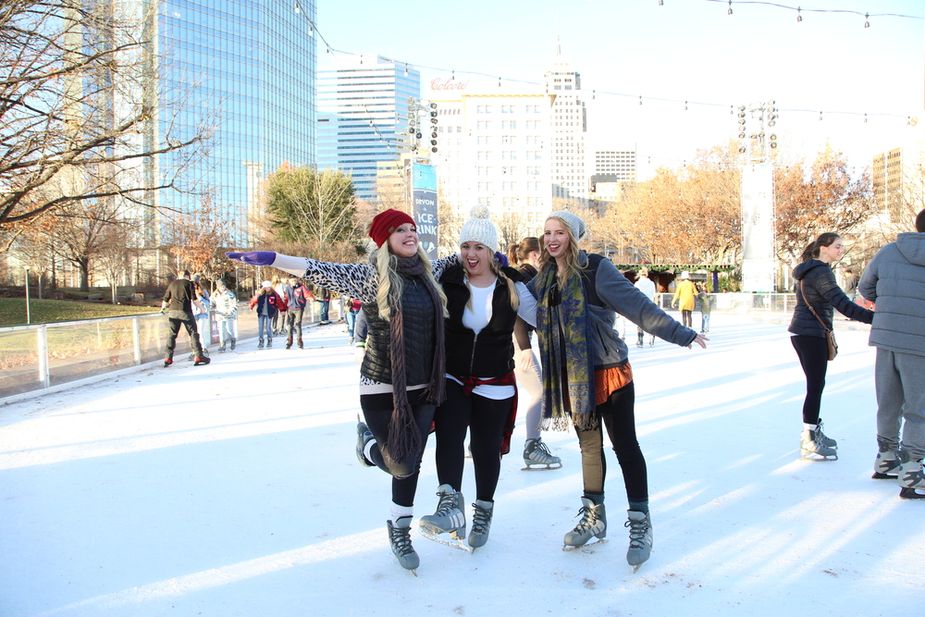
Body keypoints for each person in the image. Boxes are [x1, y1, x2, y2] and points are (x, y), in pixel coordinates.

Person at [226, 208, 456, 572]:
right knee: (401, 462)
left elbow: (461, 257)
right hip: (382, 388)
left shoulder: (431, 273)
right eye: (400, 230)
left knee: (410, 463)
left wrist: (493, 254)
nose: (410, 234)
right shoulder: (370, 277)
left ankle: (400, 529)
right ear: (384, 240)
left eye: (412, 228)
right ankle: (367, 444)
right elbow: (320, 269)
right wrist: (275, 259)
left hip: (425, 389)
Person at [527, 211, 707, 570]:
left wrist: (682, 334)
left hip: (609, 371)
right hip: (572, 376)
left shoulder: (596, 269)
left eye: (559, 232)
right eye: (547, 233)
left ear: (573, 236)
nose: (551, 239)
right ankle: (595, 518)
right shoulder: (543, 278)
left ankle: (640, 522)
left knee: (625, 445)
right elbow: (517, 305)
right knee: (588, 448)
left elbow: (637, 307)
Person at [419, 209, 538, 552]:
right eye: (465, 246)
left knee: (486, 450)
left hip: (495, 380)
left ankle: (483, 509)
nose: (471, 254)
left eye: (479, 247)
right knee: (449, 436)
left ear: (491, 251)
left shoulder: (511, 285)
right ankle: (449, 504)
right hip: (453, 377)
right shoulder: (449, 280)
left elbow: (543, 318)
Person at [788, 232, 874, 461]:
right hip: (810, 333)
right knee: (815, 386)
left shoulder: (810, 270)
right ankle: (809, 439)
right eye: (837, 246)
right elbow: (842, 304)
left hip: (803, 332)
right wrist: (875, 318)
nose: (841, 250)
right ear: (823, 248)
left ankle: (813, 431)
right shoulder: (820, 271)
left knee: (816, 384)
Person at [858, 209, 925, 499]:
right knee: (918, 408)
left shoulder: (888, 251)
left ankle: (886, 458)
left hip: (886, 336)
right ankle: (912, 470)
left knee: (889, 401)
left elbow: (865, 288)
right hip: (920, 341)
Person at [508, 236, 561, 470]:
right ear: (535, 255)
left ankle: (482, 439)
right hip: (518, 345)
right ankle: (532, 446)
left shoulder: (525, 273)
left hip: (515, 344)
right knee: (539, 392)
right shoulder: (525, 276)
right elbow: (517, 312)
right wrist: (526, 347)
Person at [160, 270, 210, 367]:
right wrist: (202, 309)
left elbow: (165, 299)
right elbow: (194, 299)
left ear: (179, 276)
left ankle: (168, 357)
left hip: (173, 312)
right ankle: (199, 356)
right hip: (185, 311)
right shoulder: (189, 284)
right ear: (188, 276)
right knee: (193, 333)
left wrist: (162, 308)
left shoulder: (172, 284)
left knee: (172, 334)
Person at [249, 281, 283, 349]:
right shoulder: (260, 294)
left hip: (269, 313)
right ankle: (261, 341)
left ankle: (269, 340)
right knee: (260, 328)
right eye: (266, 287)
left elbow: (279, 301)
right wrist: (251, 306)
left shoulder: (274, 294)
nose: (267, 288)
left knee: (268, 327)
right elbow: (254, 300)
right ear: (263, 287)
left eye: (268, 287)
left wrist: (282, 309)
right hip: (261, 313)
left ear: (270, 287)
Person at [212, 279, 238, 352]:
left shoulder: (230, 294)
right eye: (221, 286)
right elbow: (211, 302)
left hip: (229, 315)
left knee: (230, 329)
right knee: (221, 331)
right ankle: (222, 345)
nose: (222, 288)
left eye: (223, 286)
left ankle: (233, 340)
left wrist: (230, 311)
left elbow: (234, 304)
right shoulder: (215, 294)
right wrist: (211, 307)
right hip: (220, 315)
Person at [633, 269, 657, 347]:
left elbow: (634, 295)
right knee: (650, 322)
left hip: (639, 305)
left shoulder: (637, 284)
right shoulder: (651, 283)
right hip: (649, 304)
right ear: (647, 274)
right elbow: (654, 294)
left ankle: (640, 340)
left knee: (640, 323)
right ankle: (651, 337)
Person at [284, 276, 309, 349]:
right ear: (289, 281)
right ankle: (289, 341)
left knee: (298, 325)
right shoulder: (287, 288)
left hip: (299, 308)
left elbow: (307, 293)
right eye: (292, 280)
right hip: (290, 308)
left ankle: (299, 341)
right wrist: (283, 308)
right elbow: (286, 298)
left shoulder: (301, 287)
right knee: (289, 326)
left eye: (295, 280)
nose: (294, 282)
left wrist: (310, 298)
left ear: (297, 280)